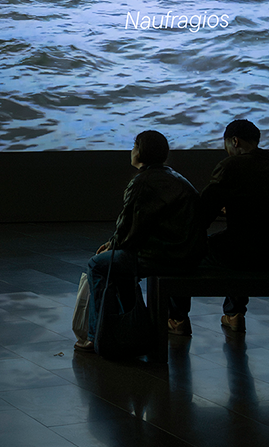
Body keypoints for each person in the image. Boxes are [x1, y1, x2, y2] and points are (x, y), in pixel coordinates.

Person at [74, 129, 204, 351]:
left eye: (134, 146)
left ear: (140, 152)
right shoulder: (179, 179)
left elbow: (127, 231)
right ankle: (146, 323)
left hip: (157, 257)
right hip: (187, 255)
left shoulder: (141, 183)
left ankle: (96, 336)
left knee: (97, 264)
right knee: (117, 261)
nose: (131, 150)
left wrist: (111, 245)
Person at [183, 119, 269, 333]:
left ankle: (178, 319)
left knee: (188, 251)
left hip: (242, 252)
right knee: (239, 237)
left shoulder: (231, 166)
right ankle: (234, 312)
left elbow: (203, 213)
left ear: (234, 141)